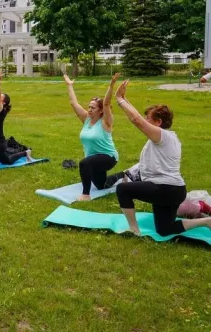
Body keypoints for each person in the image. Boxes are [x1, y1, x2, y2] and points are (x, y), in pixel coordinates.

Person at [113, 79, 211, 236]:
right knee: (165, 229)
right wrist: (124, 99)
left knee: (123, 189)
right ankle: (206, 221)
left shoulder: (162, 136)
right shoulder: (166, 136)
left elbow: (136, 120)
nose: (145, 121)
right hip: (173, 190)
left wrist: (119, 101)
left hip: (166, 188)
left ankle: (133, 229)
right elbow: (139, 117)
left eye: (149, 119)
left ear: (158, 122)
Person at [63, 71, 120, 201]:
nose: (89, 109)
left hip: (108, 157)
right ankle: (124, 175)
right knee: (101, 185)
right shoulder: (86, 119)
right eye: (89, 107)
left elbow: (106, 103)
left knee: (84, 164)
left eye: (93, 108)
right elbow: (74, 103)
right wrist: (69, 85)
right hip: (94, 159)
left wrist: (111, 85)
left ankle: (85, 195)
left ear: (100, 111)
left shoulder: (106, 122)